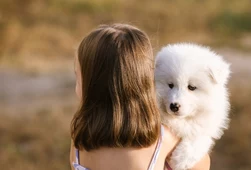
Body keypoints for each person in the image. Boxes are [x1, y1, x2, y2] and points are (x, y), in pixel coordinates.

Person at [70, 24, 210, 170]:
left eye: (77, 78)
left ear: (91, 86)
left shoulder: (79, 139)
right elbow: (201, 165)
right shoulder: (164, 140)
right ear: (145, 81)